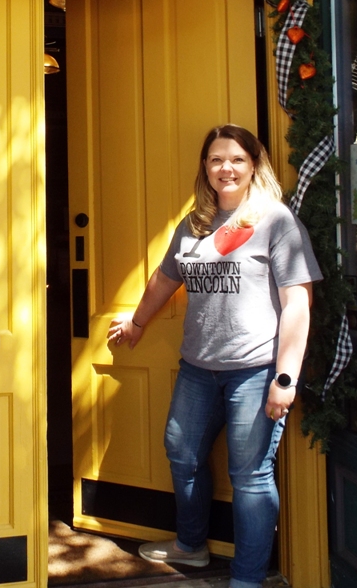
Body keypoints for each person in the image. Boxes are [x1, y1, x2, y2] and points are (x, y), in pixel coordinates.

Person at [107, 124, 322, 588]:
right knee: (182, 453)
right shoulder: (194, 224)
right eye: (216, 159)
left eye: (237, 159)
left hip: (256, 371)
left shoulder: (276, 222)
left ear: (254, 166)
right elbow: (165, 279)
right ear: (205, 167)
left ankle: (247, 579)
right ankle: (191, 546)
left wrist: (285, 378)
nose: (226, 168)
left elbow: (298, 304)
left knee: (250, 476)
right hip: (198, 369)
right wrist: (138, 322)